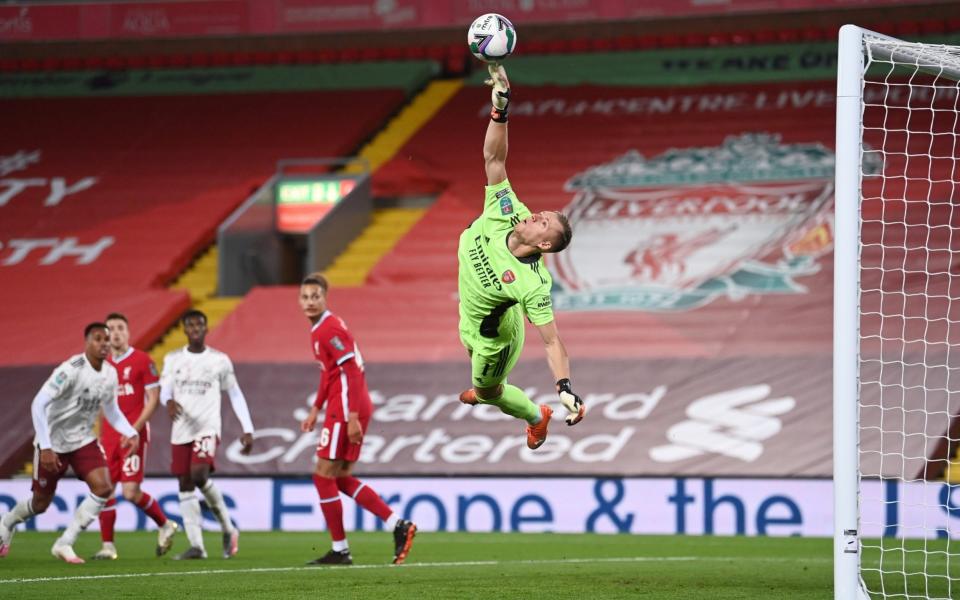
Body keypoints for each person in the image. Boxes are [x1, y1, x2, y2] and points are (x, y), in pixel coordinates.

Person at [457, 63, 586, 449]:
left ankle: (535, 416)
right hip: (473, 308)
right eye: (542, 213)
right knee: (471, 353)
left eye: (543, 222)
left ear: (544, 245)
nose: (536, 214)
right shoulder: (506, 207)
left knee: (491, 391)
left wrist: (565, 388)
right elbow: (493, 159)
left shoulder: (533, 283)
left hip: (496, 334)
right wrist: (501, 106)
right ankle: (483, 385)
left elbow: (551, 340)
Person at [298, 274, 417, 566]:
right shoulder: (320, 330)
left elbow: (351, 369)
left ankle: (340, 550)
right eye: (305, 297)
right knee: (338, 477)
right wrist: (316, 408)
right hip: (346, 405)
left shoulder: (328, 329)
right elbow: (329, 373)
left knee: (322, 474)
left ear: (325, 297)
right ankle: (397, 524)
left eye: (316, 296)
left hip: (347, 407)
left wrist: (351, 416)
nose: (310, 302)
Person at [0, 323, 140, 564]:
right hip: (52, 442)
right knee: (40, 503)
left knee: (104, 488)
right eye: (98, 339)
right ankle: (7, 522)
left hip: (83, 440)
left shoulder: (110, 373)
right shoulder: (70, 369)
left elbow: (112, 410)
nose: (104, 343)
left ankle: (65, 542)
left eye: (106, 340)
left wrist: (131, 432)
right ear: (86, 342)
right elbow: (38, 404)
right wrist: (45, 446)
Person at [159, 309, 254, 560]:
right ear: (184, 329)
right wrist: (168, 401)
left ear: (206, 328)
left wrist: (248, 428)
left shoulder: (219, 360)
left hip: (207, 427)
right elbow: (164, 391)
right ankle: (197, 546)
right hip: (181, 429)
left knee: (198, 474)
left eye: (199, 324)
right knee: (184, 483)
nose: (195, 329)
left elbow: (234, 393)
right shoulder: (172, 359)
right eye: (190, 325)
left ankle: (228, 528)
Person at [91, 313, 178, 560]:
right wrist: (97, 434)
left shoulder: (142, 360)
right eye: (111, 329)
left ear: (128, 333)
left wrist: (134, 429)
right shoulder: (102, 366)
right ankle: (108, 546)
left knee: (130, 492)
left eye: (120, 328)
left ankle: (164, 524)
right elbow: (100, 404)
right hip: (108, 437)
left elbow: (153, 400)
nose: (115, 333)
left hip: (133, 436)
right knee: (105, 490)